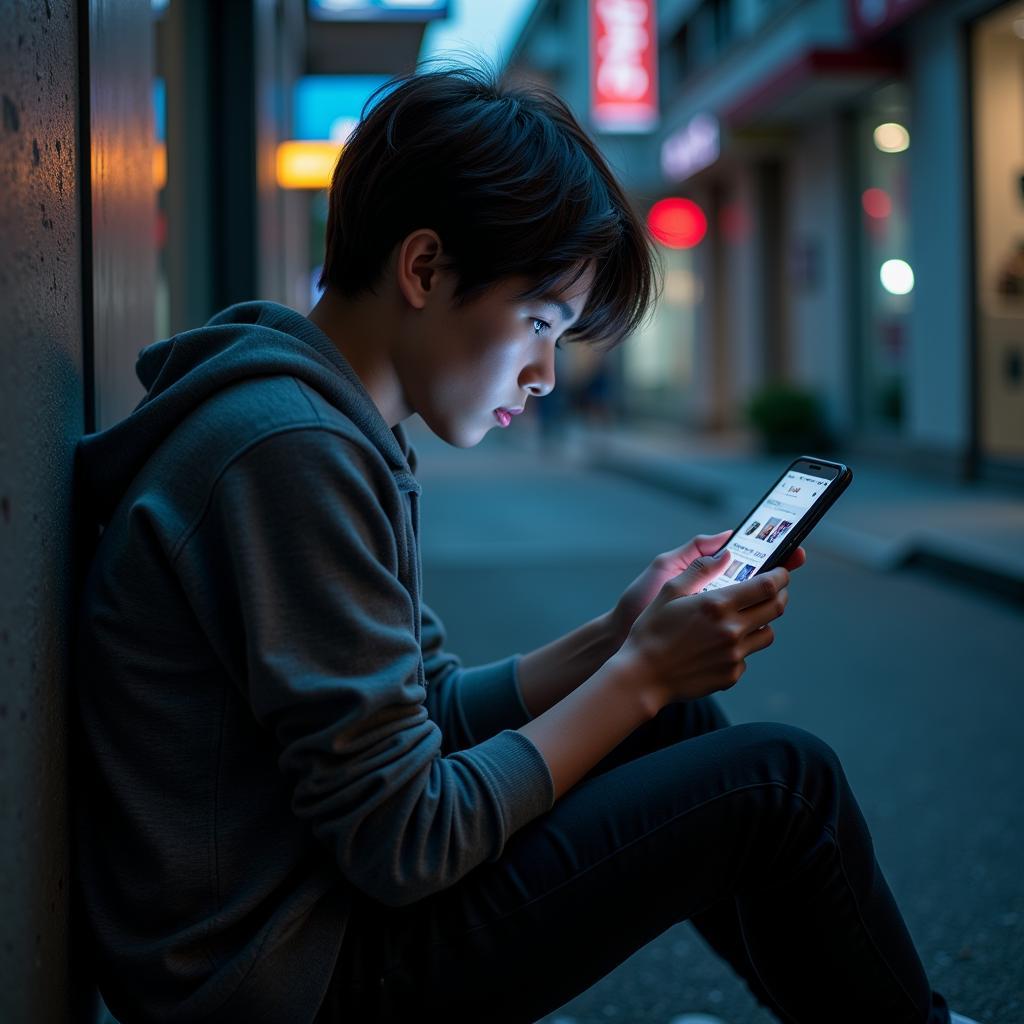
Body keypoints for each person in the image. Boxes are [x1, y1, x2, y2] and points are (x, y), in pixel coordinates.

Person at [72, 62, 981, 1024]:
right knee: (781, 783)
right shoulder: (289, 451)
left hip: (308, 918)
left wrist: (616, 640)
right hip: (282, 979)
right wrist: (639, 675)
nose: (548, 372)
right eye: (541, 320)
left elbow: (421, 711)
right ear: (424, 269)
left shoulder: (319, 425)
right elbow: (407, 837)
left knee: (665, 722)